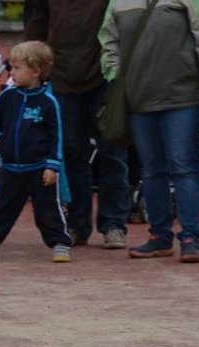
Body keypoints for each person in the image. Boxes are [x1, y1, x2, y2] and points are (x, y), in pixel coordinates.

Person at [100, 0, 199, 261]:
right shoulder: (118, 2)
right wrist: (114, 74)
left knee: (184, 166)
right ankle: (160, 236)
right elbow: (108, 40)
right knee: (151, 170)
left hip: (181, 95)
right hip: (137, 99)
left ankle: (190, 237)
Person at [27, 0, 132, 250]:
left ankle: (114, 224)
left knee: (113, 151)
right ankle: (77, 224)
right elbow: (36, 24)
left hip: (105, 76)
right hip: (63, 77)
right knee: (72, 153)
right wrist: (36, 67)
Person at [0, 41, 72, 263]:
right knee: (3, 210)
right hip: (10, 168)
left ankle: (60, 243)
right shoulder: (7, 96)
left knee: (47, 210)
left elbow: (56, 136)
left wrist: (53, 165)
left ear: (36, 71)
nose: (12, 72)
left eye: (17, 68)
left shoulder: (49, 102)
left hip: (40, 169)